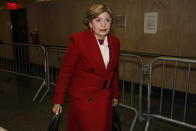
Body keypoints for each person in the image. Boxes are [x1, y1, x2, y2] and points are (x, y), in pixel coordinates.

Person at [52, 3, 120, 131]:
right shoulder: (78, 41)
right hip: (84, 101)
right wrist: (59, 101)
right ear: (90, 23)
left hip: (105, 98)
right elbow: (65, 73)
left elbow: (114, 71)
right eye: (98, 20)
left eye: (107, 20)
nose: (103, 24)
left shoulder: (115, 42)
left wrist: (115, 94)